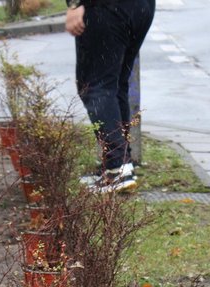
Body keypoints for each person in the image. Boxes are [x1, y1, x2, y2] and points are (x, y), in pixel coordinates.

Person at [66, 0, 155, 193]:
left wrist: (75, 4)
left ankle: (117, 168)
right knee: (115, 85)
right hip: (141, 8)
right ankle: (122, 164)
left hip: (106, 8)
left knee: (95, 86)